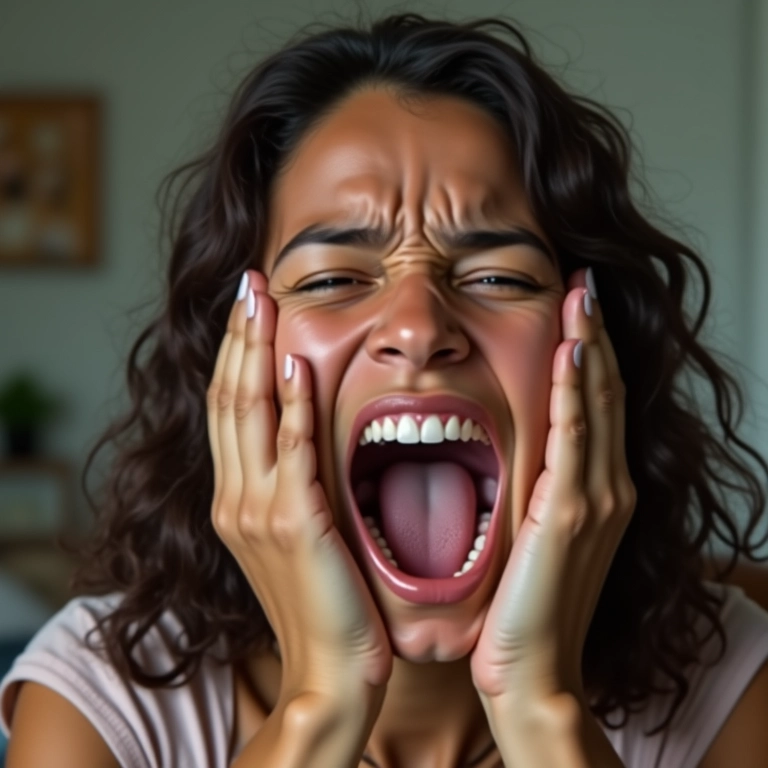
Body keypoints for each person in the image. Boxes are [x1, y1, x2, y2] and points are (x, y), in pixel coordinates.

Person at [2, 13, 767, 768]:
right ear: (238, 368)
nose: (418, 325)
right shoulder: (99, 703)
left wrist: (541, 708)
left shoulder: (731, 683)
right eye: (334, 278)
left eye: (499, 276)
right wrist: (320, 707)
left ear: (598, 361)